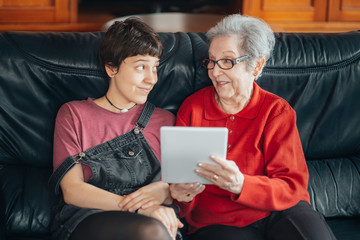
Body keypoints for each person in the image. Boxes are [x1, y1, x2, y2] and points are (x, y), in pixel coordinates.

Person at [169, 14, 336, 240]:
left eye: (227, 61)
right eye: (211, 61)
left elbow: (292, 186)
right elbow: (184, 191)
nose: (215, 72)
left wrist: (242, 184)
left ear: (256, 65)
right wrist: (183, 195)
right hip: (219, 222)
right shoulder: (193, 109)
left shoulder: (276, 111)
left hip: (279, 211)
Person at [49, 18, 183, 240]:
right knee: (149, 231)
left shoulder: (167, 120)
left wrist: (167, 192)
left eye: (155, 68)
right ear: (111, 68)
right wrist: (139, 207)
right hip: (87, 219)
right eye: (141, 67)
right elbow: (72, 190)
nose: (152, 79)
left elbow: (178, 190)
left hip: (155, 221)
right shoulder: (73, 114)